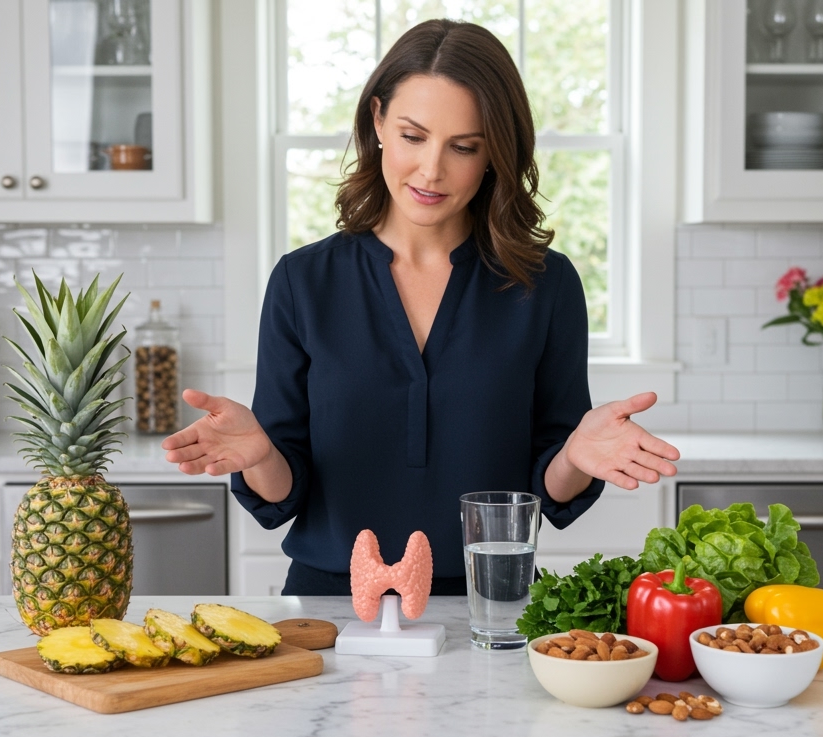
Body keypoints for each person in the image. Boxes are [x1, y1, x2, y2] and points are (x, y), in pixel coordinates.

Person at [162, 19, 680, 596]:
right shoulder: (303, 281)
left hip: (491, 605)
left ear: (494, 155)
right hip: (330, 606)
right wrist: (258, 453)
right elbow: (285, 492)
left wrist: (578, 456)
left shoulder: (543, 285)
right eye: (413, 136)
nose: (432, 170)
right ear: (378, 120)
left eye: (463, 147)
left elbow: (548, 484)